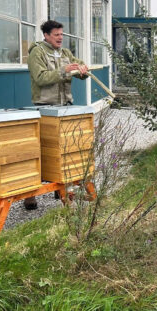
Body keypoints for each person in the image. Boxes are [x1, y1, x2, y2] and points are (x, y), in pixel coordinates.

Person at [25, 20, 88, 210]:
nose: (60, 38)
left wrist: (83, 71)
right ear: (46, 35)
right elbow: (41, 78)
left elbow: (79, 67)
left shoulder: (65, 53)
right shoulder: (37, 52)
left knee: (64, 150)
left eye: (62, 34)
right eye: (56, 35)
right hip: (45, 107)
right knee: (42, 150)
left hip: (65, 106)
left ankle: (60, 189)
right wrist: (63, 70)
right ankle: (30, 196)